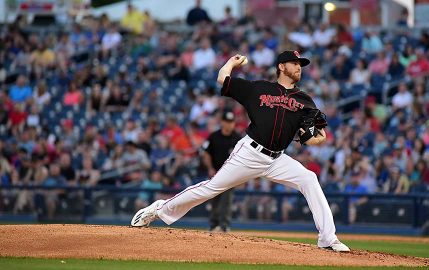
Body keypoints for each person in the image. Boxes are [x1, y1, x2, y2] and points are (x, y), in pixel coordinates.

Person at [131, 51, 351, 252]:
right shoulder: (258, 88)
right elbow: (222, 79)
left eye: (300, 64)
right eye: (294, 63)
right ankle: (159, 210)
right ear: (281, 66)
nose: (299, 67)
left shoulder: (304, 100)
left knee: (309, 178)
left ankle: (327, 239)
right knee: (210, 189)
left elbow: (314, 137)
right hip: (250, 153)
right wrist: (230, 63)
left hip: (277, 159)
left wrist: (319, 139)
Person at [202, 111, 241, 232]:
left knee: (227, 200)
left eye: (231, 122)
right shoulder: (214, 136)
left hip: (230, 174)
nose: (229, 124)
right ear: (222, 122)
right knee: (215, 198)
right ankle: (214, 224)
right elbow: (206, 154)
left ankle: (224, 225)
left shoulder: (238, 138)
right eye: (227, 122)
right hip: (216, 173)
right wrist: (209, 168)